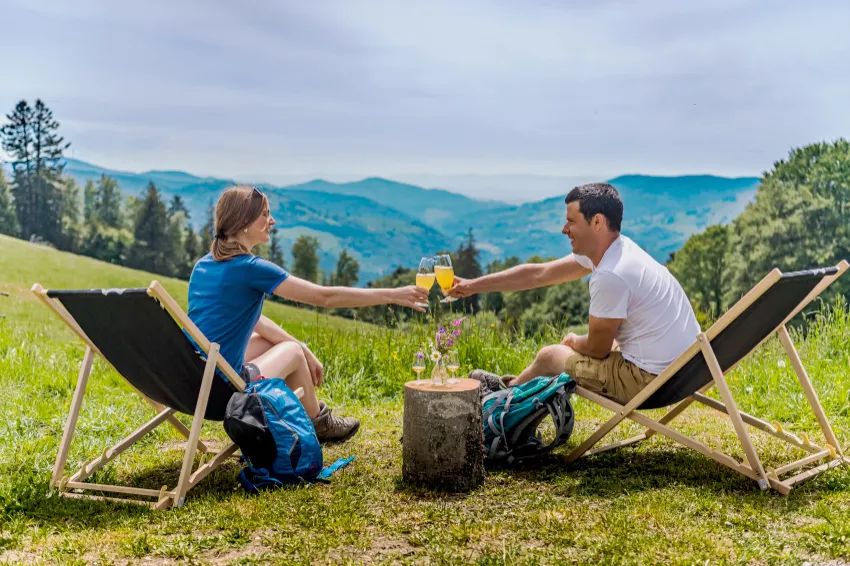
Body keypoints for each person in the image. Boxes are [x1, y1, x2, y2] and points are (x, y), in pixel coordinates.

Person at [188, 185, 428, 442]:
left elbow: (254, 320)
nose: (272, 221)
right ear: (244, 221)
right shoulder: (250, 268)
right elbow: (324, 297)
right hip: (219, 391)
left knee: (284, 343)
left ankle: (306, 413)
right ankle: (319, 422)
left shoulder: (204, 265)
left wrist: (300, 343)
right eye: (265, 214)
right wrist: (392, 295)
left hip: (191, 379)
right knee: (291, 352)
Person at [448, 183, 700, 405]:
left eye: (572, 221)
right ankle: (509, 389)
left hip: (650, 382)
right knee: (567, 352)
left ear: (598, 222)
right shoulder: (619, 251)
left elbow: (596, 349)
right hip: (685, 370)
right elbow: (539, 274)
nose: (564, 229)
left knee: (551, 356)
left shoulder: (611, 274)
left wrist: (573, 340)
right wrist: (472, 285)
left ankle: (499, 401)